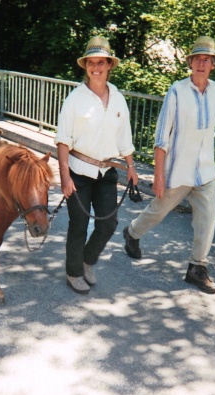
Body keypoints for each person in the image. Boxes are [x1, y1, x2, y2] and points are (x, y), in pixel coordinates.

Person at [122, 36, 215, 295]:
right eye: (197, 58)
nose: (201, 63)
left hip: (205, 171)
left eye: (206, 59)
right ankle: (132, 233)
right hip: (178, 170)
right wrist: (159, 175)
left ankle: (197, 267)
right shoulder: (177, 90)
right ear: (190, 62)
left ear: (213, 64)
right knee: (159, 210)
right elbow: (161, 136)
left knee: (208, 217)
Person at [55, 35, 139, 294]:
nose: (96, 68)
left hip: (107, 172)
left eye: (101, 62)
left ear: (109, 65)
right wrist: (65, 177)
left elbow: (124, 137)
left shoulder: (118, 99)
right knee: (78, 224)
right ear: (85, 66)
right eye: (91, 62)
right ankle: (73, 272)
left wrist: (131, 167)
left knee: (108, 224)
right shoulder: (75, 99)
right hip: (78, 171)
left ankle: (87, 261)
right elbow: (62, 141)